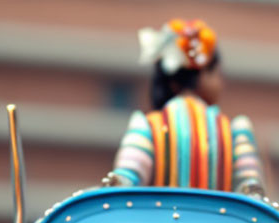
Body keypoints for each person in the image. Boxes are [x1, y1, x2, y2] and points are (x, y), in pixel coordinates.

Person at [108, 19, 265, 196]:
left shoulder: (148, 126)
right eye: (217, 73)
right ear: (202, 74)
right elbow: (251, 190)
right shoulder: (234, 131)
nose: (222, 82)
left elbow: (125, 180)